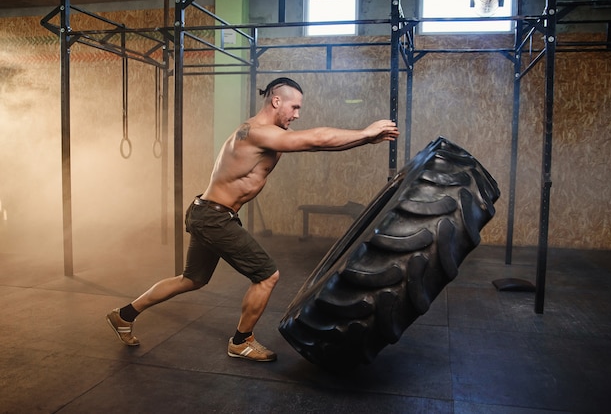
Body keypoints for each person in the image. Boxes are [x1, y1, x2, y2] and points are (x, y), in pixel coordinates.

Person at [106, 77, 399, 362]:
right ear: (276, 101)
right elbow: (316, 141)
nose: (298, 114)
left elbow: (320, 144)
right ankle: (241, 341)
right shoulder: (257, 132)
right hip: (213, 218)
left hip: (208, 212)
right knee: (267, 276)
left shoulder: (266, 133)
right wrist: (365, 132)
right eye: (294, 107)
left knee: (192, 279)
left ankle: (124, 315)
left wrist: (365, 140)